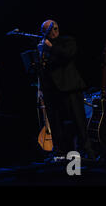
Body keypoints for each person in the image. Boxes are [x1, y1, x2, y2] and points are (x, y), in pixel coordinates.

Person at [38, 19, 95, 160]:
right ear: (43, 32)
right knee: (56, 122)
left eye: (55, 29)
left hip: (70, 87)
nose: (53, 32)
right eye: (49, 30)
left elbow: (68, 55)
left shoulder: (67, 41)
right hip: (52, 90)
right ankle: (60, 152)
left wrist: (50, 48)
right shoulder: (42, 46)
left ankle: (87, 151)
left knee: (78, 121)